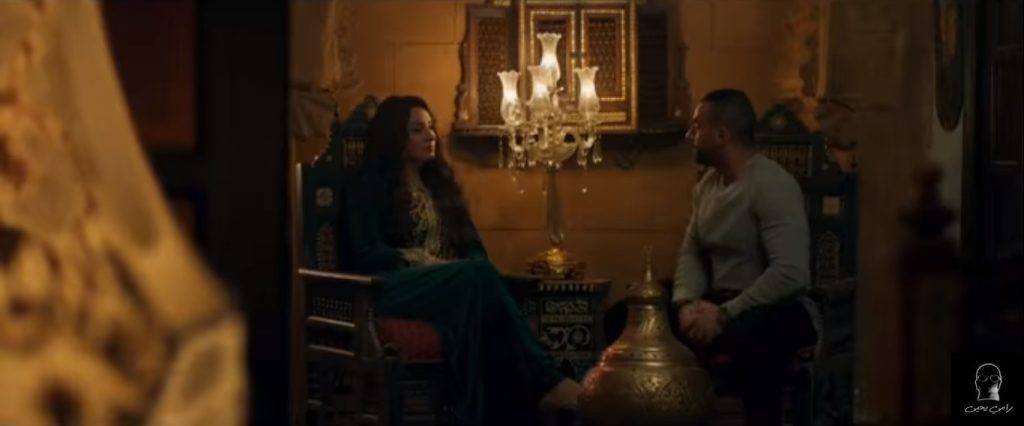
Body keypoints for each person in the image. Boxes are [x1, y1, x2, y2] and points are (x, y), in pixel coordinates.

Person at [344, 95, 581, 425]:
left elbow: (473, 249)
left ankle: (509, 406)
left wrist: (455, 268)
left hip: (450, 286)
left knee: (477, 284)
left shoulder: (440, 187)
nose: (430, 136)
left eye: (431, 128)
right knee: (475, 277)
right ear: (395, 136)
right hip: (391, 287)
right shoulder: (367, 185)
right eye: (417, 130)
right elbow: (365, 253)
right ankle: (548, 381)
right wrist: (421, 261)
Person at [672, 89, 819, 426]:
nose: (690, 135)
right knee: (633, 317)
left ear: (722, 135)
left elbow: (791, 273)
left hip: (772, 307)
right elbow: (692, 252)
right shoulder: (706, 187)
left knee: (752, 338)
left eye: (697, 127)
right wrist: (685, 306)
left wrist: (724, 315)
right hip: (717, 302)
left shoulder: (771, 184)